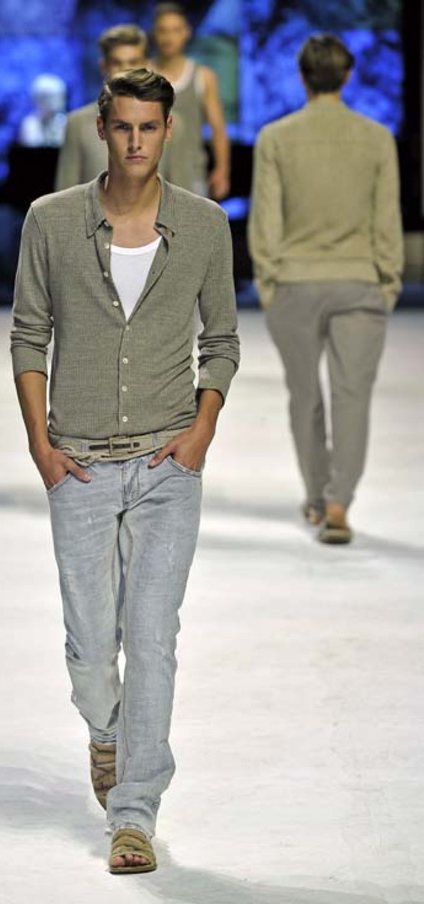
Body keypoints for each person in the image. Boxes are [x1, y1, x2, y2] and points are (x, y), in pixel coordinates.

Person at [11, 68, 239, 873]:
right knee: (87, 647)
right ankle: (105, 733)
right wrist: (40, 445)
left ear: (169, 130)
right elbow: (28, 334)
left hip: (167, 459)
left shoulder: (204, 225)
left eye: (149, 127)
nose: (136, 141)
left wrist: (202, 430)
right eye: (123, 127)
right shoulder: (50, 220)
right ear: (101, 129)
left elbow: (221, 339)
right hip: (76, 461)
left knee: (152, 637)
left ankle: (134, 812)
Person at [248, 34, 403, 544]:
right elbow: (387, 220)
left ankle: (317, 496)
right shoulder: (376, 138)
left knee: (304, 396)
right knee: (351, 396)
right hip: (359, 281)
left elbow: (266, 219)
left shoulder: (275, 137)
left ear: (302, 76)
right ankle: (338, 504)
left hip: (294, 282)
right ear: (348, 75)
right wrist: (388, 282)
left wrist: (268, 280)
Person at [55, 23, 192, 191]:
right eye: (117, 63)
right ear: (103, 66)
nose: (126, 71)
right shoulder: (77, 123)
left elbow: (182, 190)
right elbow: (65, 190)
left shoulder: (172, 123)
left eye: (133, 62)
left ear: (147, 65)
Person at [150, 1, 230, 198]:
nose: (169, 38)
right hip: (149, 175)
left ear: (186, 32)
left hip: (192, 174)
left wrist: (222, 170)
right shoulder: (142, 76)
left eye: (175, 30)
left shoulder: (203, 77)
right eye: (163, 31)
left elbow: (218, 129)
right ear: (155, 33)